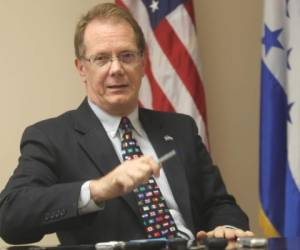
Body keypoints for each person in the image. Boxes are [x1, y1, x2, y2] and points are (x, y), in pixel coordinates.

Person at [0, 3, 253, 245]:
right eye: (101, 59)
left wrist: (226, 229)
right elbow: (10, 217)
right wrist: (98, 190)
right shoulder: (52, 137)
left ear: (142, 63)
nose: (117, 69)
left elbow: (221, 204)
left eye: (127, 56)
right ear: (81, 69)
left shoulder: (181, 129)